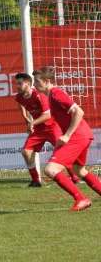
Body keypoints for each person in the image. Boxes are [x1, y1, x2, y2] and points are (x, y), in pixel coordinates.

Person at [32, 67, 101, 212]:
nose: (34, 84)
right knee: (79, 170)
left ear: (47, 81)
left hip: (78, 135)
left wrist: (67, 135)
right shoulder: (51, 96)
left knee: (50, 169)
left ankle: (80, 199)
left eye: (37, 81)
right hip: (83, 134)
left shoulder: (56, 93)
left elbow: (79, 112)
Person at [15, 73, 79, 187]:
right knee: (25, 152)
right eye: (16, 84)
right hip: (38, 130)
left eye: (20, 83)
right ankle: (35, 180)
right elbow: (21, 104)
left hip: (52, 128)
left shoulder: (39, 94)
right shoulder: (18, 97)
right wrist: (26, 119)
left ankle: (74, 177)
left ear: (28, 84)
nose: (17, 86)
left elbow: (47, 114)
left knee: (62, 152)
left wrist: (32, 123)